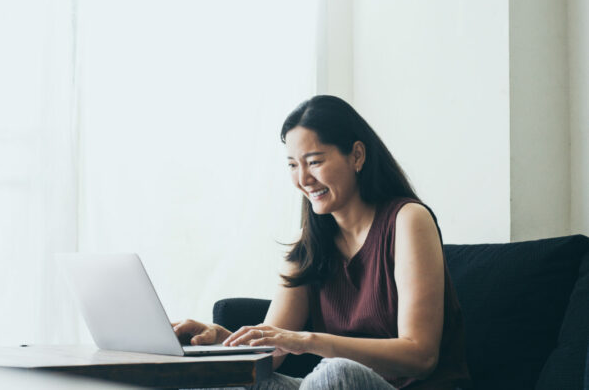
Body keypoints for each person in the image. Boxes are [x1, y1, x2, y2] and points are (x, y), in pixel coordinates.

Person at [172, 95, 470, 389]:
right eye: (292, 165)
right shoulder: (310, 243)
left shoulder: (407, 220)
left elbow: (421, 355)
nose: (303, 179)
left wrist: (307, 341)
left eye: (314, 162)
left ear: (357, 155)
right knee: (224, 379)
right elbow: (269, 353)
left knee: (335, 373)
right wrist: (217, 339)